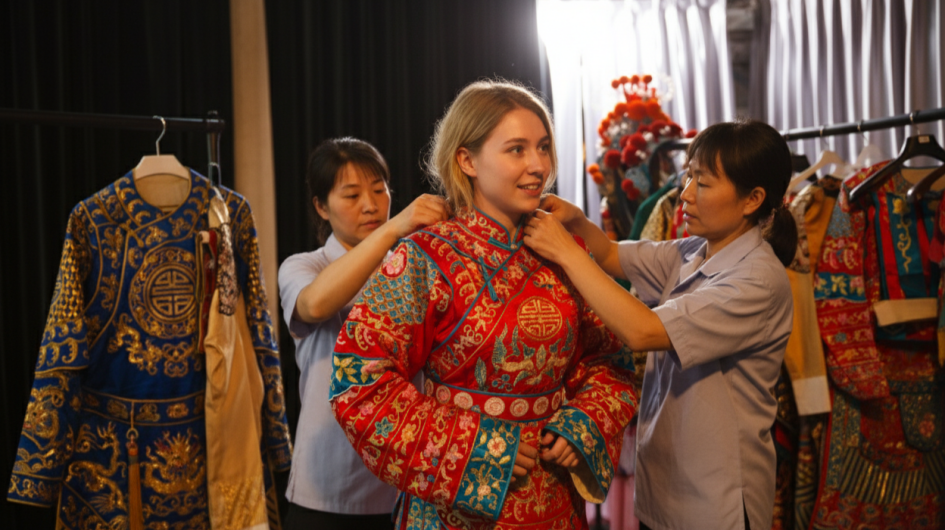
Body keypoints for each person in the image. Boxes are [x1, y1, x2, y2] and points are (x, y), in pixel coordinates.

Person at [328, 79, 638, 529]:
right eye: (516, 150)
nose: (538, 166)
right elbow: (358, 379)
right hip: (455, 508)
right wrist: (475, 451)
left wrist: (583, 423)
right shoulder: (424, 257)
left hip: (552, 500)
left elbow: (611, 358)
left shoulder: (565, 251)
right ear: (467, 159)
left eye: (544, 147)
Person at [523, 119, 796, 530]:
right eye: (688, 177)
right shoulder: (693, 250)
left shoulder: (758, 279)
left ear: (752, 199)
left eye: (702, 184)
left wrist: (566, 252)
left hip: (713, 501)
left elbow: (643, 331)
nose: (684, 194)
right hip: (667, 489)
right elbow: (613, 255)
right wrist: (577, 223)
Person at [278, 137, 450, 530]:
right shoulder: (304, 265)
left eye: (379, 190)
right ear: (321, 206)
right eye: (352, 195)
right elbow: (315, 305)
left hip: (406, 479)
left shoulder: (413, 266)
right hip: (327, 486)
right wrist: (394, 230)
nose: (371, 206)